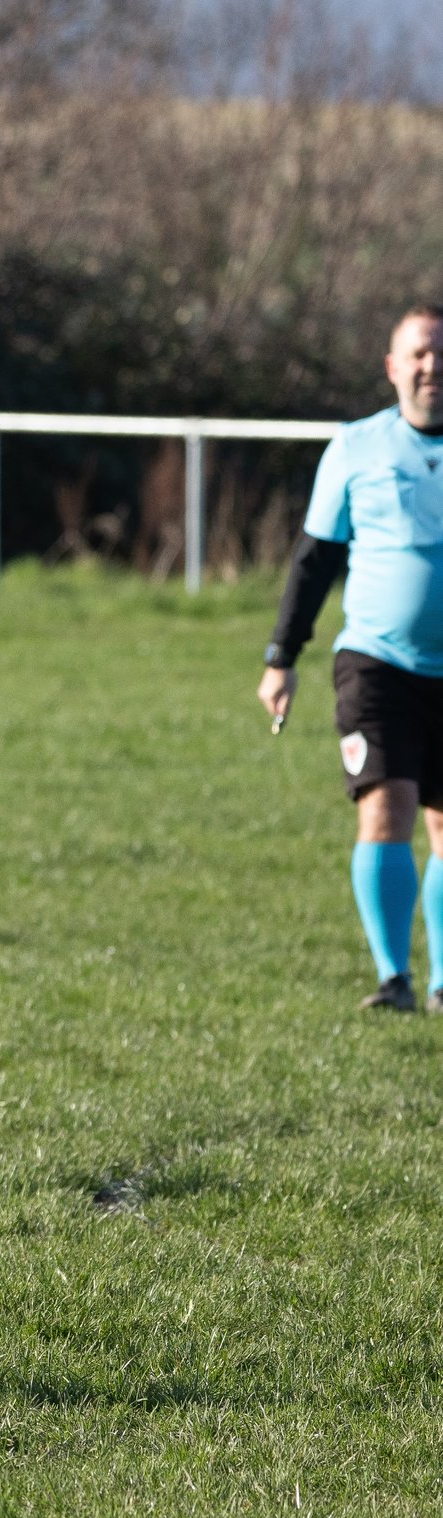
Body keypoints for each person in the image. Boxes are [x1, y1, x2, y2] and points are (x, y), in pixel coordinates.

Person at [261, 305, 443, 1014]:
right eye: (419, 353)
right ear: (394, 366)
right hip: (377, 663)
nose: (432, 366)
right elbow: (314, 561)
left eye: (441, 352)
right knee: (386, 808)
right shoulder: (356, 448)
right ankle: (394, 978)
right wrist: (282, 657)